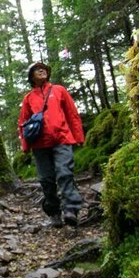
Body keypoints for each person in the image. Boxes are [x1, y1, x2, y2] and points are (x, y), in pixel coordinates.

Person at [18, 62, 85, 227]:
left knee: (65, 173)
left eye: (43, 69)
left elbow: (72, 114)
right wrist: (25, 145)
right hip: (40, 145)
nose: (41, 70)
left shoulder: (59, 90)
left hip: (62, 139)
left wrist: (78, 137)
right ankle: (54, 212)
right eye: (36, 69)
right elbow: (23, 123)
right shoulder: (28, 98)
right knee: (47, 180)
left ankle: (71, 210)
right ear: (31, 77)